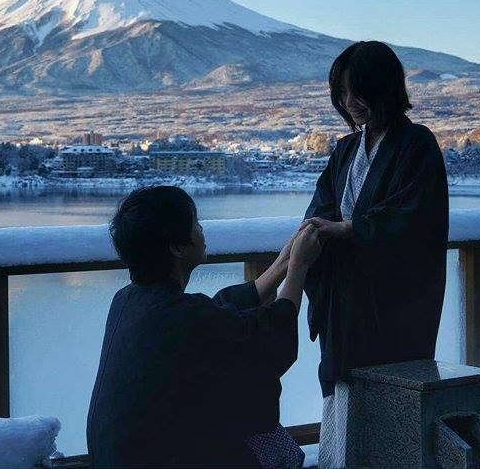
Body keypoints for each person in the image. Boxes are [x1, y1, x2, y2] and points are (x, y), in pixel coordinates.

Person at [86, 185, 319, 468]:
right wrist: (299, 266)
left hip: (124, 457)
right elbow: (271, 341)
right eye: (195, 222)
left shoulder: (128, 300)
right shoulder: (186, 316)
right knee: (255, 410)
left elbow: (217, 313)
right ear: (177, 246)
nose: (201, 229)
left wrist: (282, 263)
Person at [302, 41, 449, 468]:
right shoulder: (347, 147)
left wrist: (352, 227)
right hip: (346, 298)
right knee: (343, 389)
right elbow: (322, 202)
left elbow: (417, 215)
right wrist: (322, 227)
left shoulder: (416, 144)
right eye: (342, 94)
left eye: (357, 92)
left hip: (392, 302)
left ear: (383, 89)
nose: (350, 103)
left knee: (389, 391)